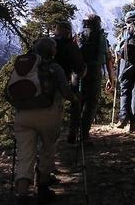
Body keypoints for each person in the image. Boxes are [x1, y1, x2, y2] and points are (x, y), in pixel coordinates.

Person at [12, 37, 79, 205]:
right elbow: (65, 92)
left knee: (25, 154)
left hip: (22, 115)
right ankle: (42, 188)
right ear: (52, 51)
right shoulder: (55, 68)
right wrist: (76, 99)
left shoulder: (24, 66)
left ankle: (22, 194)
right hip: (47, 115)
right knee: (47, 150)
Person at [77, 14, 113, 145]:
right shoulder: (100, 36)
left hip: (79, 71)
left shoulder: (80, 35)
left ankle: (72, 134)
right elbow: (107, 57)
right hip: (94, 71)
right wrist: (111, 78)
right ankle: (84, 135)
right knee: (91, 103)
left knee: (79, 102)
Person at [52, 21, 87, 144]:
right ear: (68, 31)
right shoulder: (70, 45)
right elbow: (80, 68)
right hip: (63, 81)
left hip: (43, 83)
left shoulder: (49, 43)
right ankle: (72, 133)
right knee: (75, 102)